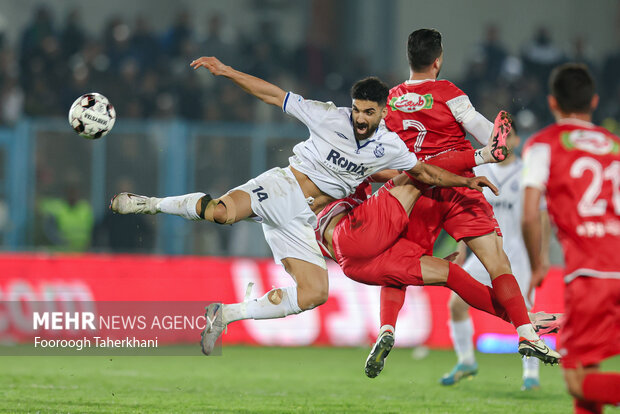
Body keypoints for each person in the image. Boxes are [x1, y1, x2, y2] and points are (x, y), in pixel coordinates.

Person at [110, 56, 498, 355]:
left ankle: (225, 314)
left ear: (383, 113)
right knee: (221, 213)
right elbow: (273, 95)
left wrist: (468, 177)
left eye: (368, 112)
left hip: (307, 223)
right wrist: (227, 71)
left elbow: (425, 174)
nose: (359, 118)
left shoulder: (390, 147)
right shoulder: (328, 116)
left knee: (314, 294)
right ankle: (149, 204)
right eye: (356, 109)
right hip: (283, 188)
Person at [368, 28, 560, 371]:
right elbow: (490, 135)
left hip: (414, 191)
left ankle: (386, 328)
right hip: (458, 187)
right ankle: (527, 332)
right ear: (438, 61)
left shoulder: (392, 100)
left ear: (409, 59)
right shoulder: (448, 93)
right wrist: (497, 135)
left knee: (397, 268)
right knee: (497, 262)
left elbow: (379, 155)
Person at [313, 145, 561, 379]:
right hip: (354, 233)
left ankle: (387, 329)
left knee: (441, 273)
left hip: (354, 263)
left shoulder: (324, 168)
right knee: (417, 173)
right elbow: (410, 171)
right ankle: (483, 153)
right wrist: (464, 177)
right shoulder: (344, 157)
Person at [522, 63, 620, 413]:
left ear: (552, 103)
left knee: (576, 380)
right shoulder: (615, 145)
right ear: (593, 102)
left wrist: (537, 264)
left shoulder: (543, 144)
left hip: (592, 273)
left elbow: (530, 211)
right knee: (589, 369)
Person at [439, 124, 557, 390]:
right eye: (497, 137)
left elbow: (541, 216)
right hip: (486, 250)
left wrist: (543, 255)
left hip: (519, 253)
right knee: (456, 303)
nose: (502, 140)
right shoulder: (480, 169)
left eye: (507, 135)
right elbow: (465, 212)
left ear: (516, 138)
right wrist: (461, 248)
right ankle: (466, 360)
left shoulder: (528, 171)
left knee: (525, 313)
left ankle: (531, 375)